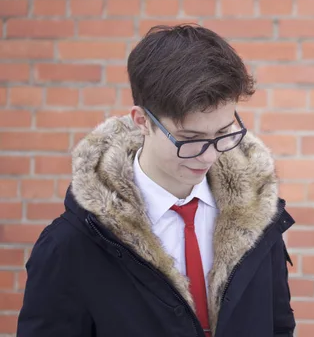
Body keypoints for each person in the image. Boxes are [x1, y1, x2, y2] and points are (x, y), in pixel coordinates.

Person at [16, 24, 296, 337]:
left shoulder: (259, 216)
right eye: (190, 138)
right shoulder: (70, 245)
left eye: (222, 133)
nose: (208, 156)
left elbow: (278, 327)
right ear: (142, 121)